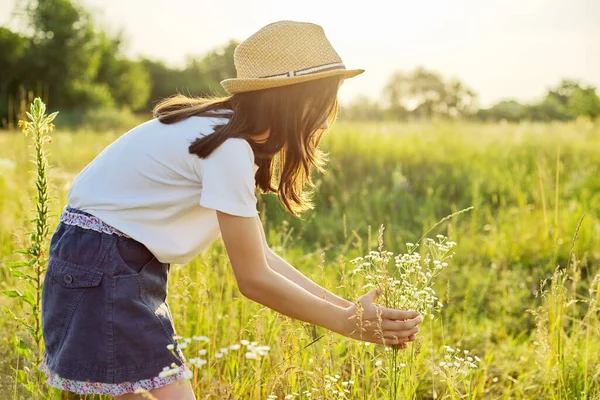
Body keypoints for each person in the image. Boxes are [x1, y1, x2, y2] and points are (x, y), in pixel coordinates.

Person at [39, 20, 423, 399]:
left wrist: (350, 312)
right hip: (106, 263)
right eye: (324, 99)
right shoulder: (227, 147)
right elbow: (253, 278)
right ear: (293, 98)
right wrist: (346, 323)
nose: (327, 116)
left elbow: (262, 258)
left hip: (109, 261)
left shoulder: (220, 133)